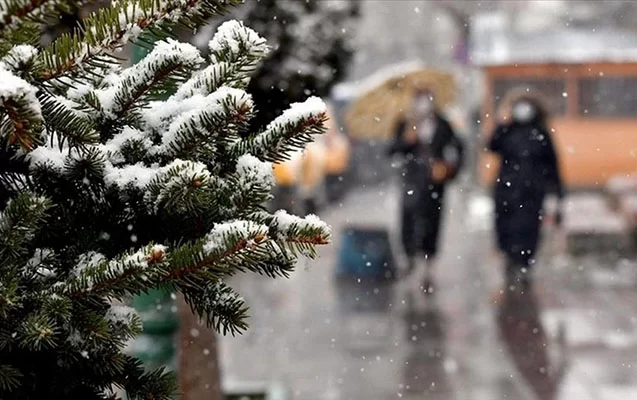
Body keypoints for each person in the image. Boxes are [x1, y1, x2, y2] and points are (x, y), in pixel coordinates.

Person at [388, 88, 464, 295]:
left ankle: (428, 265)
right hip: (411, 181)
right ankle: (410, 257)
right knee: (408, 219)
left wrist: (448, 168)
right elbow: (392, 150)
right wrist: (407, 141)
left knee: (432, 222)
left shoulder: (443, 124)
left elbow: (457, 148)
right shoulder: (405, 123)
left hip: (435, 183)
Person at [488, 91, 564, 287]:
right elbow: (491, 145)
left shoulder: (541, 132)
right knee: (505, 227)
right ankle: (510, 258)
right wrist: (502, 123)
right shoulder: (507, 130)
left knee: (529, 229)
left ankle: (524, 264)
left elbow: (552, 164)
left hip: (532, 191)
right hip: (506, 189)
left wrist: (556, 192)